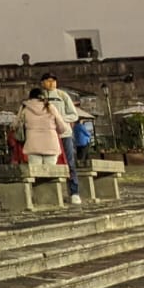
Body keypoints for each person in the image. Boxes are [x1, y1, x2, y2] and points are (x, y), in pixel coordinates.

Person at [41, 73, 82, 205]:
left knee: (69, 162)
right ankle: (51, 192)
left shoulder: (62, 95)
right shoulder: (40, 97)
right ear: (42, 83)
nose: (51, 83)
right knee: (49, 163)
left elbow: (74, 115)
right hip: (47, 134)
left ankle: (74, 191)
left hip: (64, 134)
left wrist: (61, 120)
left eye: (53, 81)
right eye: (48, 81)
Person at [18, 88, 70, 171]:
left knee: (36, 173)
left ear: (30, 97)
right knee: (50, 174)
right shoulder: (50, 107)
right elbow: (63, 128)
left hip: (33, 145)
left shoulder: (25, 108)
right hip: (51, 145)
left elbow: (16, 125)